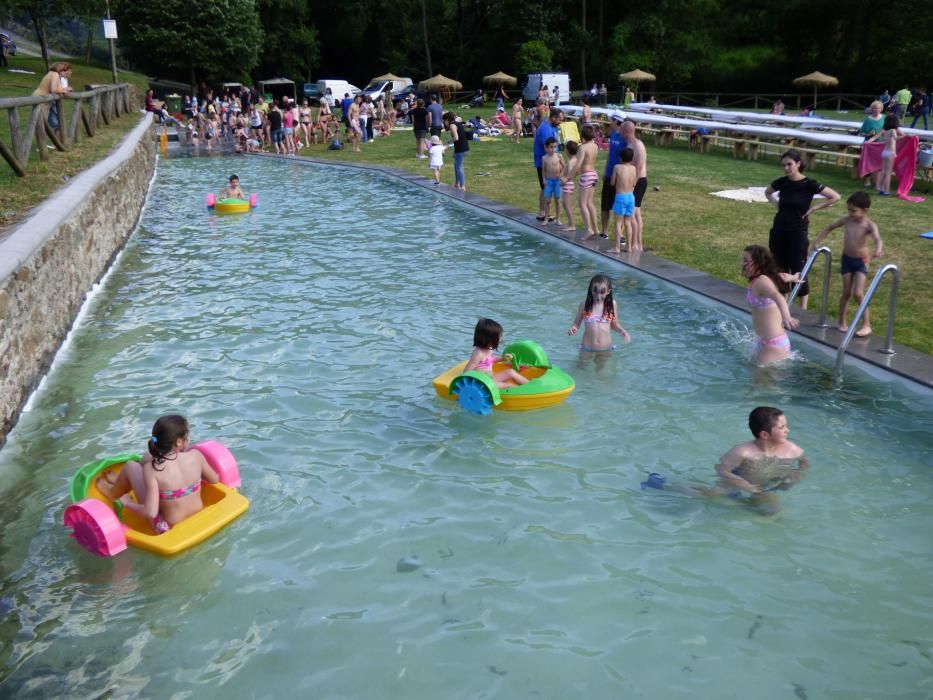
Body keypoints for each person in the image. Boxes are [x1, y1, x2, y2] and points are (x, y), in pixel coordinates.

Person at [96, 415, 220, 533]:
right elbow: (214, 479)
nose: (188, 439)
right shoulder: (196, 456)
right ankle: (124, 481)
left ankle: (113, 492)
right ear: (178, 442)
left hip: (166, 526)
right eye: (187, 436)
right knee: (148, 458)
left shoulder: (152, 469)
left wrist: (128, 503)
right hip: (197, 515)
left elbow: (150, 513)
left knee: (131, 466)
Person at [764, 149, 840, 309]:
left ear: (798, 164)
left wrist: (814, 208)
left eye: (789, 164)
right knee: (780, 267)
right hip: (779, 229)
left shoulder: (809, 184)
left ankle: (803, 308)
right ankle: (782, 303)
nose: (786, 168)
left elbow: (835, 196)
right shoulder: (782, 182)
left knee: (798, 267)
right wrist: (777, 205)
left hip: (798, 230)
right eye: (783, 165)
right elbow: (768, 192)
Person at [810, 192, 883, 336]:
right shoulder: (847, 220)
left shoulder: (869, 225)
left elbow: (877, 238)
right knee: (847, 293)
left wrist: (878, 250)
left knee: (858, 293)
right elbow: (829, 227)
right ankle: (841, 321)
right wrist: (817, 241)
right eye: (848, 210)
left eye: (853, 210)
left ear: (865, 210)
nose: (850, 213)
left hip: (861, 262)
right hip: (847, 260)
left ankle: (866, 324)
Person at [741, 245, 800, 364]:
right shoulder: (764, 278)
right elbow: (782, 276)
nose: (742, 264)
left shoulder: (762, 281)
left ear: (758, 263)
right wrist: (793, 277)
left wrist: (786, 317)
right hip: (764, 342)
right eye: (742, 260)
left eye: (746, 261)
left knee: (759, 381)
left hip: (773, 345)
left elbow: (778, 297)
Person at [568, 274, 631, 351]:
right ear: (591, 289)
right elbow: (576, 323)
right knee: (581, 363)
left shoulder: (611, 304)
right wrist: (573, 328)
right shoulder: (584, 305)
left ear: (608, 291)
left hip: (606, 348)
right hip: (587, 348)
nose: (598, 296)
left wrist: (623, 331)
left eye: (602, 292)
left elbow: (614, 324)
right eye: (595, 291)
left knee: (604, 363)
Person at [465, 318, 529, 388]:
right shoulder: (478, 354)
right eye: (498, 337)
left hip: (491, 378)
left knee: (511, 372)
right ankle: (524, 392)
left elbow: (490, 359)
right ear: (488, 339)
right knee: (508, 385)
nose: (501, 339)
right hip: (483, 384)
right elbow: (467, 372)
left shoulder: (489, 349)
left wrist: (502, 359)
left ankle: (530, 386)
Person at [598, 113, 627, 238]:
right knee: (605, 205)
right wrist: (605, 170)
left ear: (617, 121)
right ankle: (604, 231)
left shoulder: (625, 137)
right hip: (609, 175)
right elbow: (610, 155)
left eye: (611, 119)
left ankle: (620, 235)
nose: (609, 121)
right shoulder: (613, 134)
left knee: (619, 207)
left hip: (620, 177)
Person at [621, 120, 648, 250]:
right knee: (636, 214)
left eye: (621, 130)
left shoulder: (638, 145)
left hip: (638, 181)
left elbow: (639, 167)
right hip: (634, 182)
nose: (619, 132)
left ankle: (635, 244)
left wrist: (632, 185)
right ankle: (638, 244)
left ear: (627, 131)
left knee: (631, 213)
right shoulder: (629, 144)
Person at [533, 108, 564, 220]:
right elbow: (550, 149)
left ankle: (543, 212)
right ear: (553, 118)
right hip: (544, 163)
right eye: (559, 119)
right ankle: (543, 213)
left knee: (544, 187)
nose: (561, 122)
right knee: (545, 187)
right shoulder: (546, 129)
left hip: (547, 162)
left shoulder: (551, 127)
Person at [610, 147, 638, 254]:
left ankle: (617, 248)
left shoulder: (617, 167)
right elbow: (634, 183)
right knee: (628, 222)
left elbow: (612, 182)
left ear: (621, 158)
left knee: (618, 223)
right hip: (631, 197)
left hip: (621, 197)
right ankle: (629, 247)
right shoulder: (634, 168)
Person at [33, 62, 72, 129]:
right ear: (60, 70)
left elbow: (59, 89)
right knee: (40, 124)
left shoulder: (54, 75)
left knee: (41, 124)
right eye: (64, 70)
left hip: (42, 99)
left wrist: (64, 90)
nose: (65, 72)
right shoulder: (55, 74)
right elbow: (53, 89)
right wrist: (64, 90)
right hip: (40, 98)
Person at [576, 125, 599, 238]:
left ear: (582, 136)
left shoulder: (583, 148)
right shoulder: (595, 146)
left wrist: (569, 176)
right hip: (594, 175)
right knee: (590, 203)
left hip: (586, 176)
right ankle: (596, 229)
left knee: (582, 204)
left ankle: (588, 229)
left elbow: (578, 164)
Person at [859, 100, 886, 186]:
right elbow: (861, 132)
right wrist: (868, 134)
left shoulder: (884, 118)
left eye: (878, 108)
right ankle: (867, 180)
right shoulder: (868, 119)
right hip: (869, 144)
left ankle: (878, 182)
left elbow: (887, 130)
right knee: (868, 162)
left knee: (879, 162)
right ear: (871, 109)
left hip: (880, 144)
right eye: (874, 108)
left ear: (881, 109)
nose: (876, 109)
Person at [876, 114, 904, 196]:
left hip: (884, 152)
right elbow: (896, 138)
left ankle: (881, 188)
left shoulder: (885, 131)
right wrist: (906, 136)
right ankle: (886, 190)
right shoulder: (893, 131)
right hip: (891, 153)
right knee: (888, 172)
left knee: (884, 171)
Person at [540, 137, 564, 226]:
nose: (553, 149)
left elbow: (564, 167)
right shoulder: (544, 158)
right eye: (551, 147)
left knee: (557, 201)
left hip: (557, 181)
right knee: (547, 201)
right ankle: (546, 218)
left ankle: (558, 219)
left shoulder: (559, 156)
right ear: (545, 148)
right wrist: (544, 179)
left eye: (554, 147)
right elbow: (543, 170)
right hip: (549, 181)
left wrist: (561, 176)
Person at [444, 112, 470, 191]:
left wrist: (449, 141)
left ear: (447, 120)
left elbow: (456, 138)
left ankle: (462, 186)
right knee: (456, 166)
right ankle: (457, 184)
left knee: (459, 167)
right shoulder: (458, 123)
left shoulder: (452, 125)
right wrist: (455, 151)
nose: (444, 123)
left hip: (461, 149)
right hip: (463, 147)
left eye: (444, 120)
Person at [560, 140, 579, 232]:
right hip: (569, 185)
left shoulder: (571, 161)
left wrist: (564, 180)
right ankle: (570, 223)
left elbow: (571, 173)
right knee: (566, 204)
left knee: (567, 205)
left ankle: (572, 225)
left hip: (568, 185)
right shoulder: (576, 160)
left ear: (568, 150)